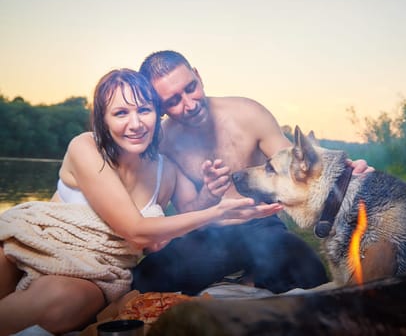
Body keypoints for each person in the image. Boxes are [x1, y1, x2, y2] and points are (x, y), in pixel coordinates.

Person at [0, 69, 280, 335]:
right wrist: (215, 213)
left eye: (144, 110)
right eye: (121, 113)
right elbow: (133, 228)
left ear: (157, 114)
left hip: (93, 273)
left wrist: (210, 192)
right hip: (31, 241)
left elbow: (188, 213)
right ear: (103, 119)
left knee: (61, 303)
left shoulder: (166, 170)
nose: (135, 124)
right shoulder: (85, 147)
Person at [132, 50, 374, 295]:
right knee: (146, 278)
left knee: (306, 268)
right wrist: (208, 194)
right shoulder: (165, 141)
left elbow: (299, 164)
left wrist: (345, 173)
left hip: (260, 225)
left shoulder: (248, 113)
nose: (190, 104)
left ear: (198, 75)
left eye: (190, 88)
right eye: (173, 101)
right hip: (207, 234)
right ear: (160, 107)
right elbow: (187, 211)